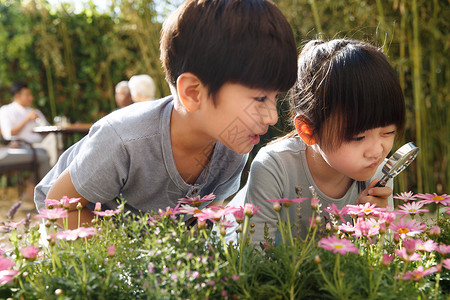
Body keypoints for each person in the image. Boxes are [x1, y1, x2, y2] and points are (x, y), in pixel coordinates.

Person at [34, 0, 298, 229]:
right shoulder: (125, 141)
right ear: (193, 93)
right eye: (260, 98)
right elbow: (58, 206)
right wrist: (125, 264)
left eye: (276, 97)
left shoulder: (233, 146)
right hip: (77, 230)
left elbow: (207, 217)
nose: (272, 117)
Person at [228, 39, 406, 244]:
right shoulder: (274, 167)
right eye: (358, 137)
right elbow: (251, 258)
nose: (376, 151)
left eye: (388, 132)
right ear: (308, 130)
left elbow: (379, 263)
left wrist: (376, 228)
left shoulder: (378, 173)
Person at [0, 82, 58, 167]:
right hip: (23, 146)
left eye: (31, 95)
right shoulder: (6, 111)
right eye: (27, 95)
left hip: (42, 144)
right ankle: (55, 175)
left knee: (57, 139)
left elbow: (49, 129)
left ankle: (56, 173)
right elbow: (9, 134)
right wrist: (27, 119)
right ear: (17, 96)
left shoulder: (35, 111)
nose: (31, 98)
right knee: (47, 155)